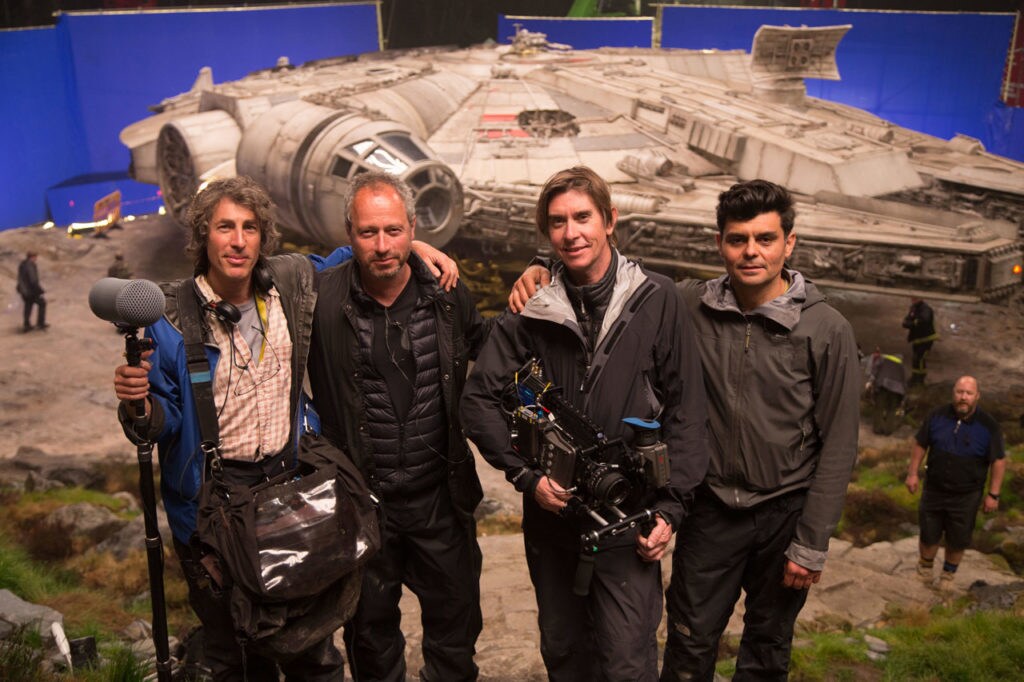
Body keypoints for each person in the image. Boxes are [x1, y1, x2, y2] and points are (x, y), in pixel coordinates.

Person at [112, 176, 457, 681]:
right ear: (203, 236)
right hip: (213, 510)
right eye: (225, 227)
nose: (238, 240)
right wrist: (138, 404)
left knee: (311, 651)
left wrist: (414, 244)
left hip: (289, 498)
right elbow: (161, 426)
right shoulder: (170, 319)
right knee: (232, 655)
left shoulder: (291, 283)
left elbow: (354, 251)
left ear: (262, 236)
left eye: (250, 227)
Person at [463, 166, 708, 681]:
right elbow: (477, 400)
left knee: (627, 661)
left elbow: (687, 413)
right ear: (546, 234)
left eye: (582, 217)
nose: (571, 232)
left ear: (610, 219)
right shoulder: (533, 306)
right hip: (554, 515)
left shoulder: (658, 300)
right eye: (557, 222)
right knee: (565, 653)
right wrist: (526, 478)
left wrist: (670, 509)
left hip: (629, 513)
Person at [306, 171, 487, 682]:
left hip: (440, 504)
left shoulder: (449, 295)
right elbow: (259, 269)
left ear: (412, 227)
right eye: (368, 233)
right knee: (370, 643)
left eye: (393, 230)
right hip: (363, 510)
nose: (382, 245)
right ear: (349, 235)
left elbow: (496, 355)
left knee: (455, 639)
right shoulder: (319, 302)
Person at [905, 375, 1005, 590]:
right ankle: (925, 571)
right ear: (954, 393)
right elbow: (920, 444)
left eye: (968, 393)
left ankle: (948, 577)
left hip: (967, 495)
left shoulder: (989, 426)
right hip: (934, 488)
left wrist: (993, 494)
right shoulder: (937, 416)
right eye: (960, 392)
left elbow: (998, 461)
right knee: (929, 532)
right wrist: (912, 473)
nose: (963, 397)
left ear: (977, 396)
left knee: (958, 538)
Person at [866, 349, 907, 435]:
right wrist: (903, 397)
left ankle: (877, 429)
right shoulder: (901, 366)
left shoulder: (884, 359)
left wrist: (870, 382)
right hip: (897, 391)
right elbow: (904, 382)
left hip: (883, 386)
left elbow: (875, 370)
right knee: (892, 410)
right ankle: (888, 430)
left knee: (879, 408)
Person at [903, 297, 937, 386]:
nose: (913, 300)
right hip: (917, 339)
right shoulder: (913, 308)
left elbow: (924, 320)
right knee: (915, 359)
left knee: (920, 359)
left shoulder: (926, 309)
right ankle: (915, 377)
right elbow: (908, 319)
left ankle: (920, 379)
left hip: (926, 339)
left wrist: (913, 323)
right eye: (912, 298)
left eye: (915, 298)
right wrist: (908, 322)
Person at [16, 250, 48, 331]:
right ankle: (40, 323)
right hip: (30, 290)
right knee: (42, 303)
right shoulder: (30, 265)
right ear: (32, 257)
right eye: (35, 257)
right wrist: (40, 290)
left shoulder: (22, 264)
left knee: (28, 306)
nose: (36, 259)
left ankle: (26, 324)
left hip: (24, 290)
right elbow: (33, 280)